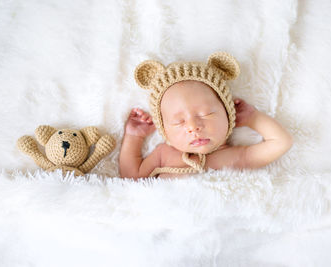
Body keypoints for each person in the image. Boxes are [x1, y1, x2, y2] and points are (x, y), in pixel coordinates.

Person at [119, 52, 293, 180]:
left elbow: (281, 142)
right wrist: (134, 137)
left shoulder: (236, 157)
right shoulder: (163, 154)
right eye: (178, 122)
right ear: (164, 129)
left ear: (227, 113)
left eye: (207, 114)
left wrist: (252, 118)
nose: (193, 126)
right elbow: (131, 180)